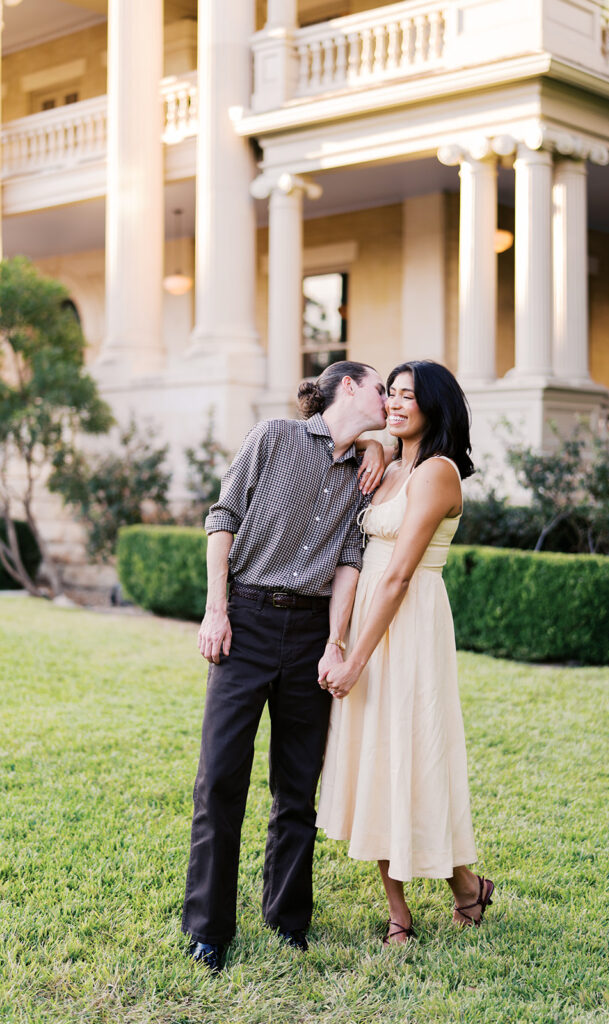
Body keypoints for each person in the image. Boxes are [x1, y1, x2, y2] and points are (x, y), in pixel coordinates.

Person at [182, 360, 389, 972]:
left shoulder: (367, 473)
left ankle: (288, 917)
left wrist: (335, 641)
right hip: (244, 619)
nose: (389, 400)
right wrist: (216, 610)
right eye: (381, 388)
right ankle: (209, 928)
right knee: (220, 778)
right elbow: (223, 518)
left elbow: (351, 558)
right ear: (347, 386)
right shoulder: (273, 436)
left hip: (308, 634)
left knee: (297, 787)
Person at [317, 360, 495, 945]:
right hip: (370, 620)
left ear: (434, 405)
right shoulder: (392, 466)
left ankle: (464, 886)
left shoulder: (438, 474)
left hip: (408, 624)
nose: (394, 403)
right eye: (389, 394)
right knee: (376, 758)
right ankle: (402, 913)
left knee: (414, 754)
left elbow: (397, 577)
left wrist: (353, 660)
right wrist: (372, 441)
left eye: (407, 396)